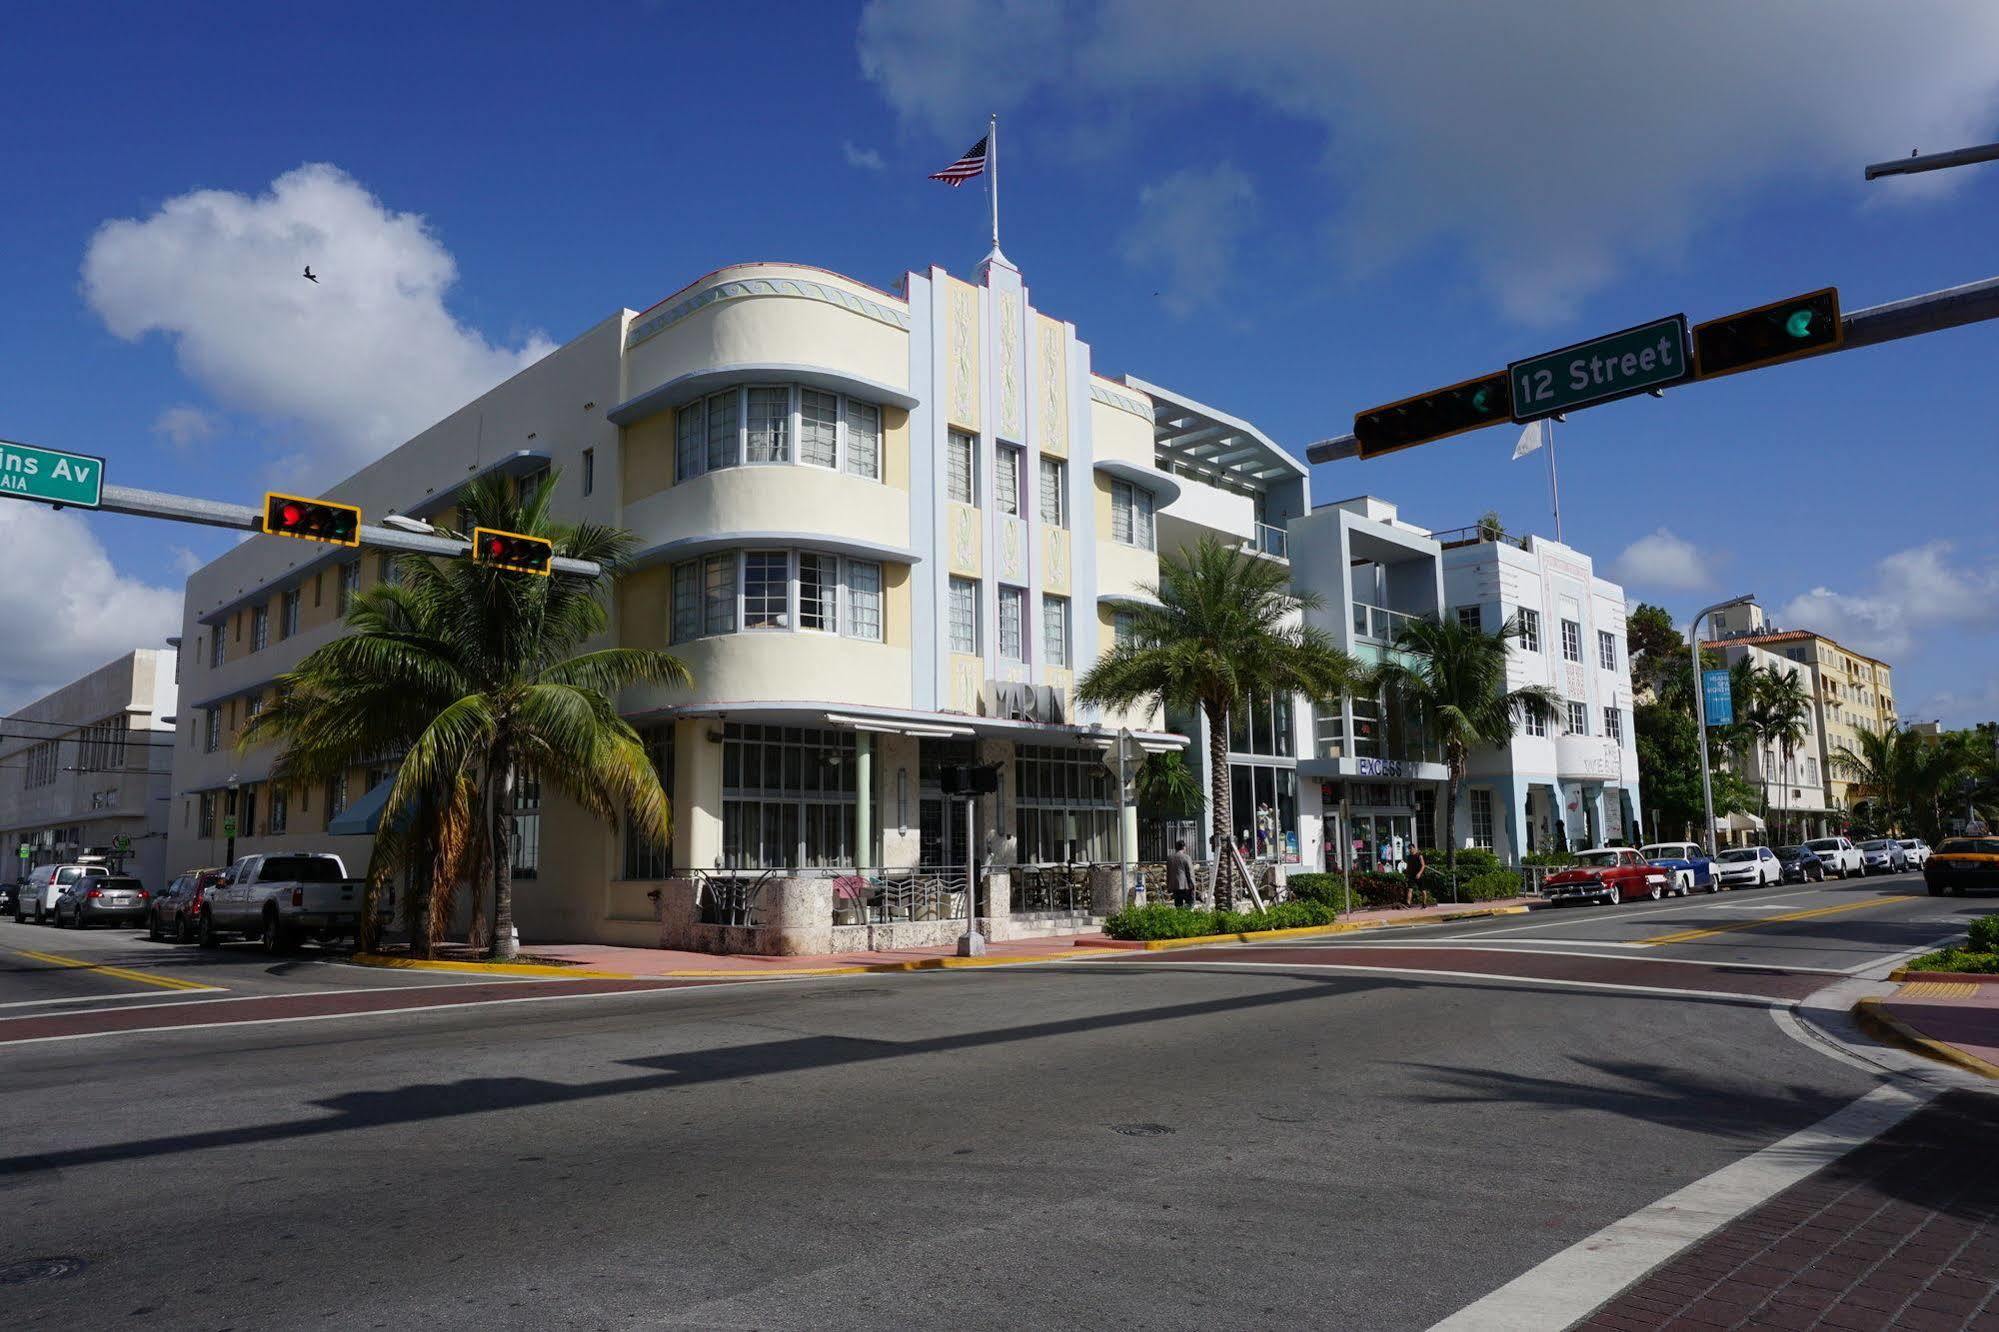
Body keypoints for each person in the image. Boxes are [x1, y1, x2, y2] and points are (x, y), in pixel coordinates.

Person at [1166, 839, 1195, 909]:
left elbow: (1168, 872)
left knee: (1178, 905)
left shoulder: (1170, 858)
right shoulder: (1186, 857)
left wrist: (1168, 885)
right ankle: (1186, 915)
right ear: (1184, 847)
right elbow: (1190, 872)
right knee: (1190, 903)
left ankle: (1180, 916)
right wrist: (1193, 884)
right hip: (1185, 886)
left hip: (1174, 885)